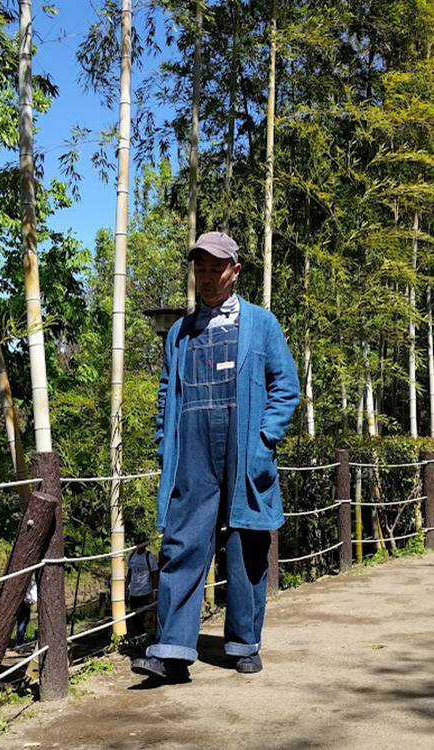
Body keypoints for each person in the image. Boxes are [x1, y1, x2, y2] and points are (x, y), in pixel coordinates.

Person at [132, 231, 299, 682]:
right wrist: (165, 442)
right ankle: (172, 652)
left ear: (235, 271)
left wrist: (264, 441)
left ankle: (243, 643)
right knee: (181, 542)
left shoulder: (262, 324)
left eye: (216, 269)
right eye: (200, 269)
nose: (207, 278)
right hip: (193, 447)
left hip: (245, 448)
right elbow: (167, 393)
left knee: (247, 543)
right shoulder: (179, 333)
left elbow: (286, 387)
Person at [126, 540, 158, 636]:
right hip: (134, 592)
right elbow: (129, 573)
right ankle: (136, 637)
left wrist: (155, 591)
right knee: (134, 617)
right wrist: (125, 587)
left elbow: (154, 574)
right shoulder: (131, 556)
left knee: (146, 618)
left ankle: (145, 636)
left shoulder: (149, 557)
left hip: (146, 592)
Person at [15, 575, 37, 649]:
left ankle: (20, 640)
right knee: (23, 622)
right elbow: (32, 595)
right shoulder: (30, 582)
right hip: (25, 604)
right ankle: (19, 642)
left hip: (23, 603)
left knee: (22, 622)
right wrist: (30, 602)